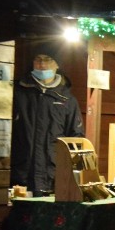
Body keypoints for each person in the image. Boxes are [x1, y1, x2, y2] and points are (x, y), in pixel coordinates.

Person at [11, 53, 84, 195]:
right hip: (19, 175)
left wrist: (68, 175)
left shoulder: (67, 99)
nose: (42, 64)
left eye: (48, 60)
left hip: (52, 177)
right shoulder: (17, 92)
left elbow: (76, 138)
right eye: (38, 59)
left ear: (57, 64)